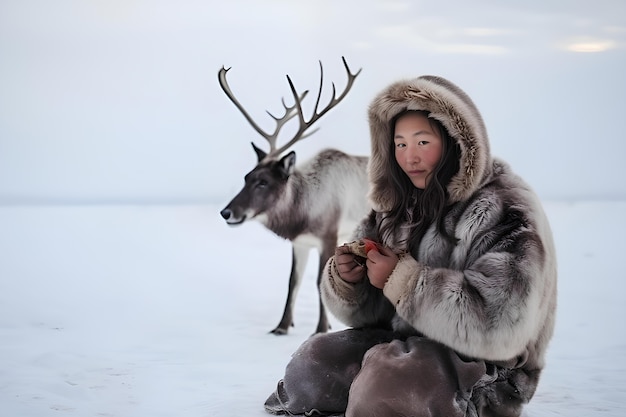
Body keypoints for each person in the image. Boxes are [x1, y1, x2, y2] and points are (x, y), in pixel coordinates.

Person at [264, 75, 557, 417]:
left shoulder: (503, 206)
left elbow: (501, 323)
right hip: (408, 345)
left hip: (490, 367)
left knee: (384, 387)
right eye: (399, 144)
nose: (409, 157)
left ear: (455, 141)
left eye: (422, 142)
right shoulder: (396, 205)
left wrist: (404, 280)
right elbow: (373, 313)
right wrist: (350, 282)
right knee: (311, 368)